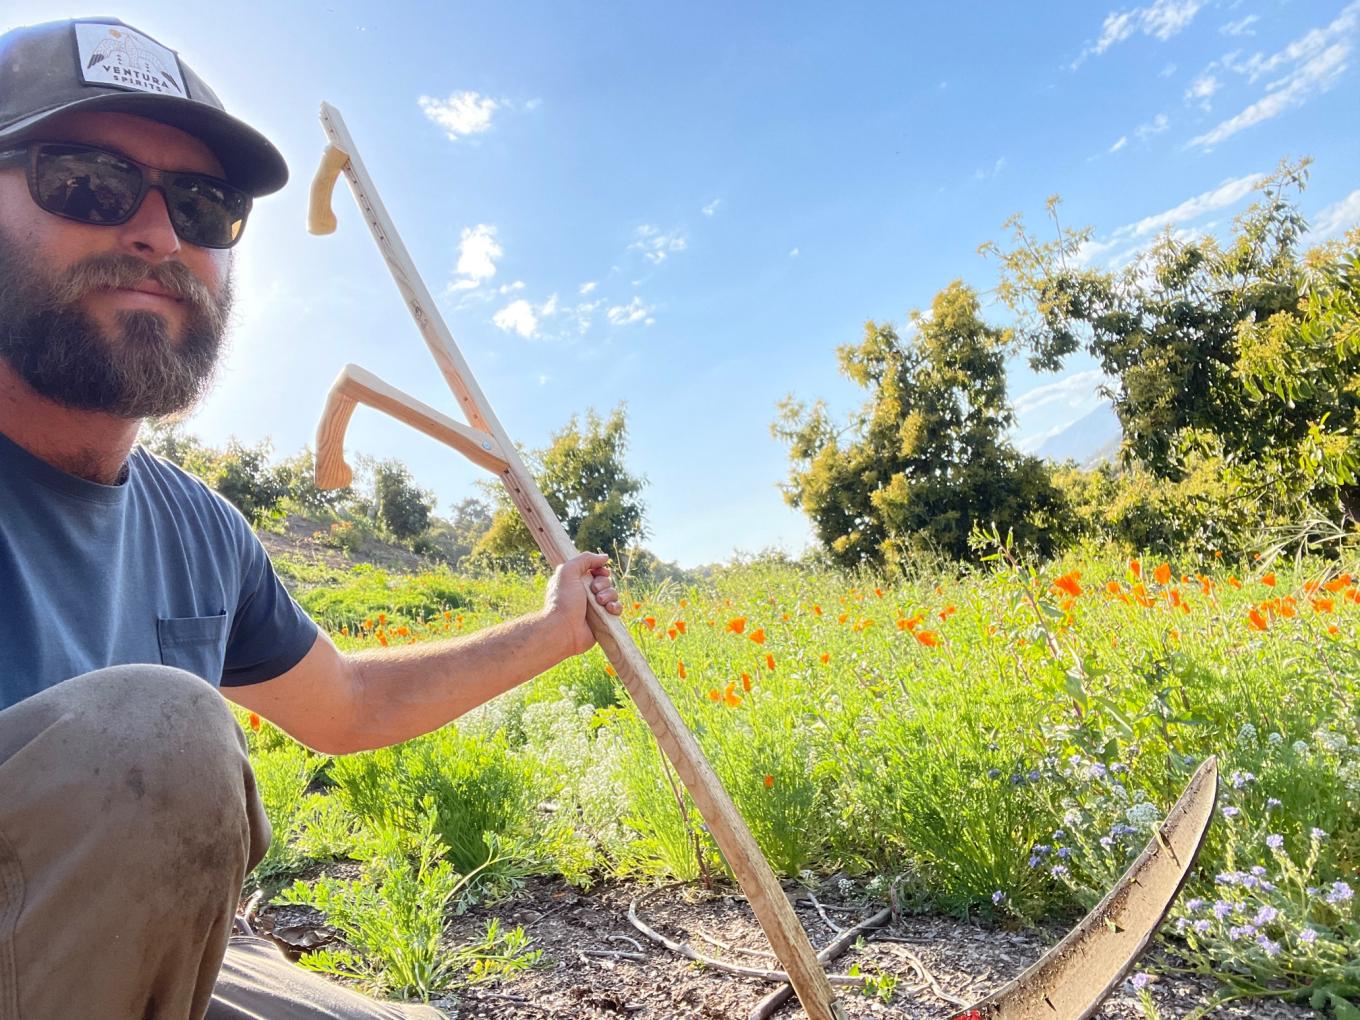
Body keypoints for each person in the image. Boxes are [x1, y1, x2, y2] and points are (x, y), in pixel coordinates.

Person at [0, 16, 623, 1020]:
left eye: (204, 206)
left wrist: (551, 632)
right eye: (86, 182)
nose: (158, 234)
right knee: (158, 734)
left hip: (149, 968)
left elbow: (346, 705)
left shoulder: (199, 531)